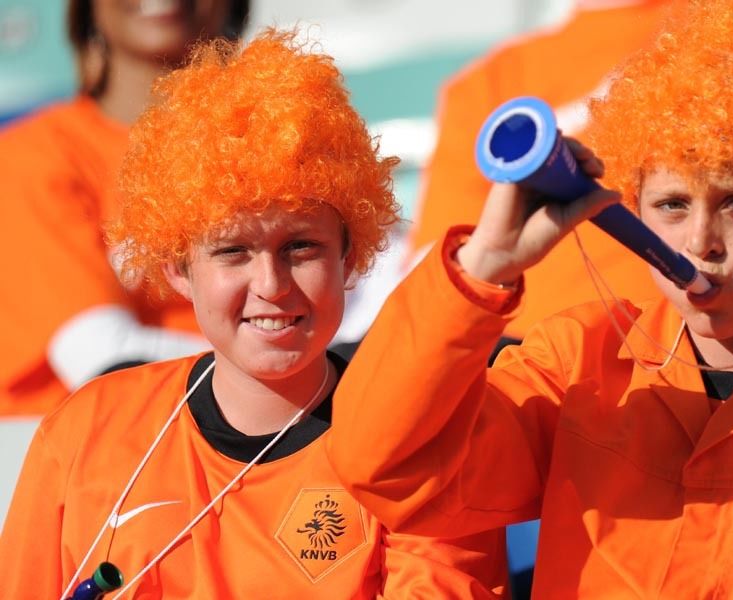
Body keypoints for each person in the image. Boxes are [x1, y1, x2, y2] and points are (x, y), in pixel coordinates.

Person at [327, 0, 733, 596]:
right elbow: (386, 466)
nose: (701, 243)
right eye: (672, 206)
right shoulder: (576, 365)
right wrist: (484, 266)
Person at [0, 30, 508, 599]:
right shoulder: (84, 432)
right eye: (232, 252)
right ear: (177, 270)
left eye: (301, 248)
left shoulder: (426, 448)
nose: (271, 286)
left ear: (350, 256)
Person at [408, 0, 733, 342]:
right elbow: (431, 312)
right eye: (671, 204)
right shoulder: (489, 89)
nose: (699, 238)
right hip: (557, 420)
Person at [0, 0, 251, 416]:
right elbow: (102, 358)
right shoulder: (31, 155)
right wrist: (297, 362)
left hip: (264, 445)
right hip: (85, 452)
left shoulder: (280, 150)